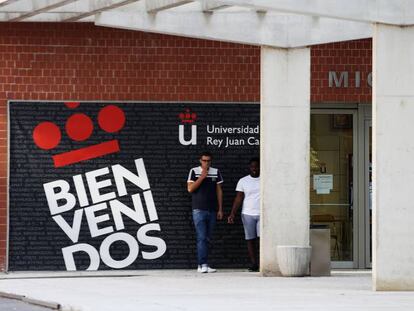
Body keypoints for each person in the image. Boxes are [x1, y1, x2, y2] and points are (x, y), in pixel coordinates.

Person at [187, 151, 223, 273]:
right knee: (201, 237)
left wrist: (220, 209)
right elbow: (190, 189)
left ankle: (205, 264)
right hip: (198, 210)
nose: (206, 163)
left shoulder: (216, 171)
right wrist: (202, 177)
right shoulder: (194, 171)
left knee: (208, 238)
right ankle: (201, 264)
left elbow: (219, 191)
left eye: (208, 161)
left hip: (212, 210)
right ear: (200, 160)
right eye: (204, 160)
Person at [228, 157, 260, 272]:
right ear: (249, 168)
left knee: (262, 239)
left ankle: (264, 262)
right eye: (252, 167)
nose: (254, 169)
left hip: (262, 214)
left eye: (256, 166)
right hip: (247, 214)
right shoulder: (243, 181)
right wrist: (232, 214)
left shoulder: (266, 179)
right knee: (250, 239)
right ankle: (254, 264)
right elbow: (238, 198)